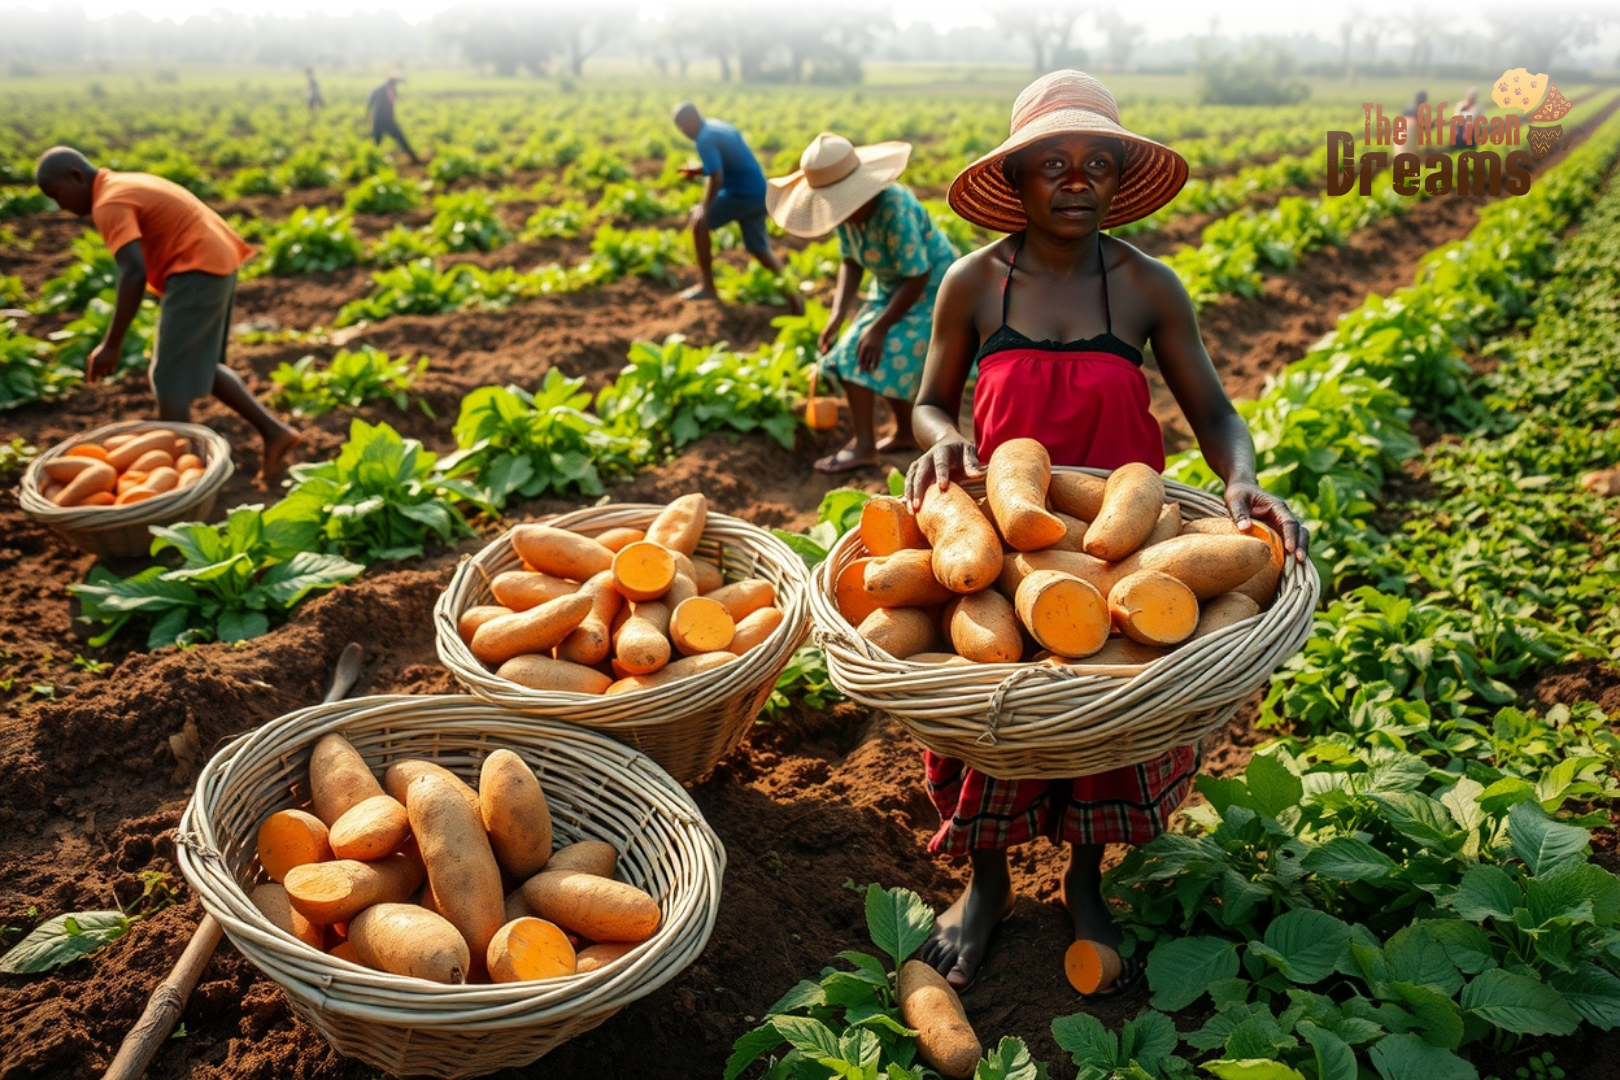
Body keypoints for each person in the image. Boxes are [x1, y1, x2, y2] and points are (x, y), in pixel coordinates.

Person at [903, 71, 1308, 993]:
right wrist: (950, 440)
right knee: (996, 713)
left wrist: (1242, 480)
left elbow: (1214, 411)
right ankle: (990, 880)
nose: (1076, 180)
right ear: (1019, 179)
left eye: (1096, 164)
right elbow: (927, 405)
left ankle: (1087, 880)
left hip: (1129, 549)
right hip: (1007, 552)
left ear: (1119, 180)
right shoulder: (973, 285)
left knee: (1113, 714)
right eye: (1054, 164)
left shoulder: (1146, 287)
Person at [33, 147, 301, 482]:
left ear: (76, 176)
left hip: (196, 268)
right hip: (211, 260)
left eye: (58, 195)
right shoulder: (121, 184)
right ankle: (275, 431)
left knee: (166, 377)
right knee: (200, 364)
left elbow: (133, 272)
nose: (62, 207)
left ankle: (185, 480)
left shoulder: (109, 203)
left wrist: (111, 344)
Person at [766, 132, 957, 474]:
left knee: (861, 356)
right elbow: (850, 261)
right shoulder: (844, 214)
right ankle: (904, 433)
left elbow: (917, 276)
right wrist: (837, 314)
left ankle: (865, 447)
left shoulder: (894, 210)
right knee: (871, 353)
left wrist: (880, 328)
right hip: (892, 289)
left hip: (933, 292)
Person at [672, 102, 799, 311]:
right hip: (759, 193)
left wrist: (705, 208)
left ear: (692, 119)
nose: (683, 132)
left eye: (683, 127)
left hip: (742, 194)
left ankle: (708, 288)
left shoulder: (704, 138)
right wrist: (700, 170)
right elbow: (727, 163)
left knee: (699, 224)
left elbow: (717, 177)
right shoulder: (716, 126)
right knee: (760, 249)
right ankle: (794, 298)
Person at [367, 73, 421, 165]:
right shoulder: (379, 91)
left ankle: (414, 158)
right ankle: (372, 162)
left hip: (389, 121)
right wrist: (369, 120)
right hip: (379, 122)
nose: (396, 85)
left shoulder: (392, 91)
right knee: (376, 142)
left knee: (401, 138)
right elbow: (371, 106)